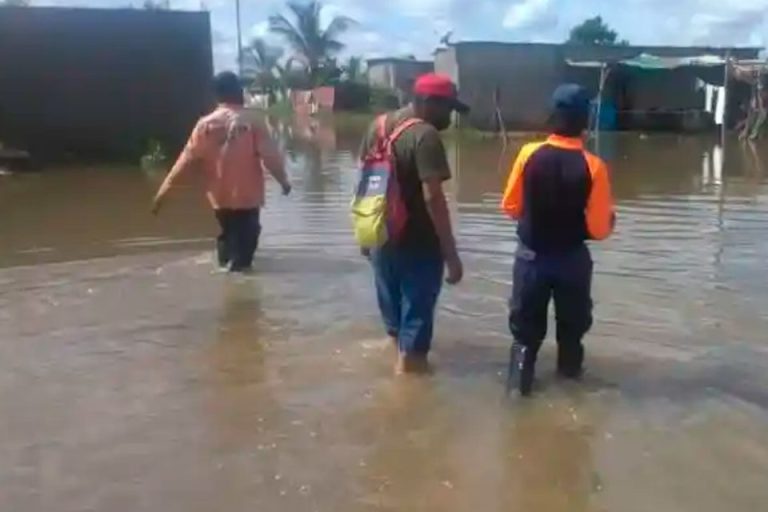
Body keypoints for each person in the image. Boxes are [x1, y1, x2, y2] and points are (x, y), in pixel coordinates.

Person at [501, 84, 615, 396]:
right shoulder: (594, 166)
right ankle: (571, 395)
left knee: (524, 336)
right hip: (572, 261)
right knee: (571, 333)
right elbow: (600, 229)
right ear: (585, 121)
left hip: (531, 258)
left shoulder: (528, 154)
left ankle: (517, 397)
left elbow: (510, 207)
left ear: (552, 116)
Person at [359, 73, 468, 374]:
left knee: (394, 328)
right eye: (448, 108)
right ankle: (407, 395)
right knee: (415, 342)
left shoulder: (377, 126)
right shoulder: (425, 135)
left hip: (381, 236)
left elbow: (366, 181)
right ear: (429, 103)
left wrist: (365, 235)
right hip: (418, 243)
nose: (450, 116)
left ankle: (397, 359)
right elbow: (433, 198)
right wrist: (451, 255)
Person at [152, 71, 291, 272]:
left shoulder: (204, 125)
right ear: (239, 91)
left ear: (216, 96)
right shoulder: (253, 122)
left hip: (220, 199)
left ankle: (225, 270)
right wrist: (284, 181)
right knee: (246, 245)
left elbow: (185, 162)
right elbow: (270, 157)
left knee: (227, 233)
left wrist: (162, 194)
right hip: (247, 199)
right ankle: (237, 283)